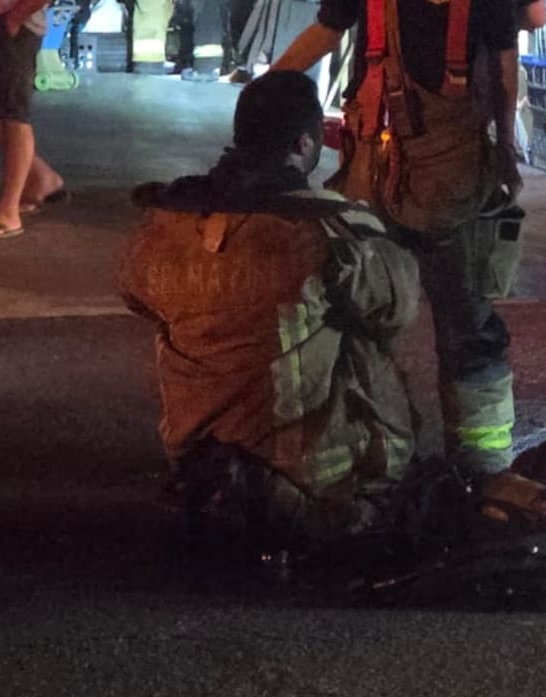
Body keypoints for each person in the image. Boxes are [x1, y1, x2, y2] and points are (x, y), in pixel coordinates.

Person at [118, 71, 421, 550]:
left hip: (199, 469)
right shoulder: (331, 231)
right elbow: (398, 307)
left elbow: (135, 293)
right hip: (307, 492)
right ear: (304, 143)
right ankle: (352, 479)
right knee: (362, 335)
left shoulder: (168, 222)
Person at [270, 0, 524, 475]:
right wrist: (271, 88)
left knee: (452, 323)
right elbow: (326, 30)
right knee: (378, 323)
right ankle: (393, 453)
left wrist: (506, 149)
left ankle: (477, 462)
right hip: (392, 179)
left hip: (440, 184)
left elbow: (506, 70)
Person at [0, 0, 66, 239]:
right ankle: (42, 178)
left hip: (14, 23)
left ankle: (8, 213)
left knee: (13, 114)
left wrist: (16, 18)